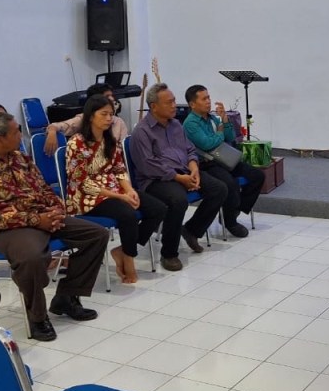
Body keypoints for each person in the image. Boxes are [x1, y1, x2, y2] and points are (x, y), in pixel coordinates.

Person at [0, 111, 109, 341]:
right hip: (7, 230)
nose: (20, 135)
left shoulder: (21, 158)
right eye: (16, 132)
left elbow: (45, 189)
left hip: (43, 217)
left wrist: (56, 210)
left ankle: (67, 297)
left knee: (96, 234)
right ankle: (37, 317)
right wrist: (36, 220)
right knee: (31, 257)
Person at [65, 95, 166, 284]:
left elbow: (119, 169)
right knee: (128, 214)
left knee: (158, 208)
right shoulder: (76, 143)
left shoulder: (110, 140)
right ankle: (129, 260)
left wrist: (129, 190)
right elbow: (81, 182)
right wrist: (120, 196)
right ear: (91, 116)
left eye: (111, 114)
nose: (109, 118)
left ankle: (123, 250)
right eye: (104, 114)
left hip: (114, 190)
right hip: (87, 197)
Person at [129, 83, 226, 271]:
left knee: (219, 189)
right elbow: (148, 165)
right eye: (169, 102)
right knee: (178, 199)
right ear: (154, 106)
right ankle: (169, 253)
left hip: (184, 171)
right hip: (155, 180)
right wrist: (178, 178)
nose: (174, 105)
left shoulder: (175, 125)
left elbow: (190, 149)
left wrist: (194, 168)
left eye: (174, 101)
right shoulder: (142, 131)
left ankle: (191, 230)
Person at [183, 84, 263, 238]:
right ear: (192, 104)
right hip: (207, 163)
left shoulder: (212, 118)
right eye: (204, 99)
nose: (208, 101)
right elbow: (207, 144)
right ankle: (230, 221)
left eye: (208, 97)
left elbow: (230, 137)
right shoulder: (190, 123)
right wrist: (220, 133)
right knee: (230, 183)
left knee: (257, 176)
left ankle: (235, 209)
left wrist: (225, 120)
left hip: (223, 158)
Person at [44, 83, 127, 155]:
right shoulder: (84, 118)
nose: (112, 99)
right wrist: (52, 131)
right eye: (107, 96)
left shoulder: (118, 122)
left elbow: (124, 150)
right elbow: (61, 126)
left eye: (112, 95)